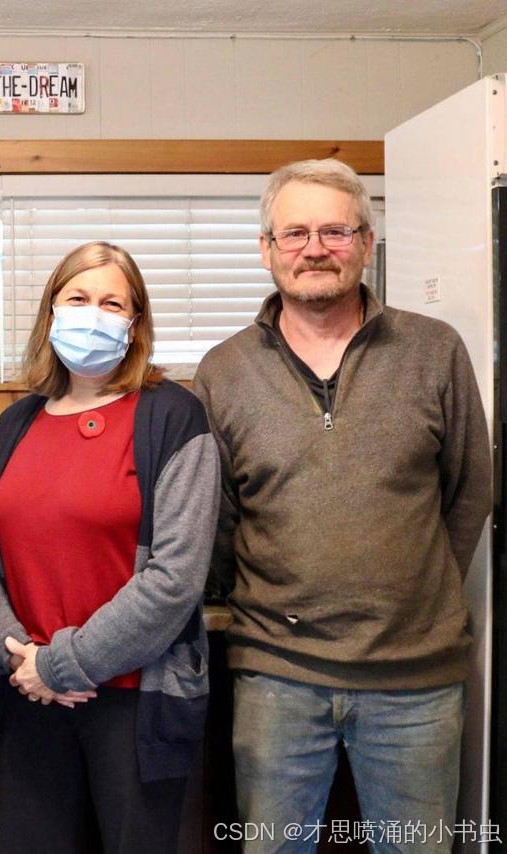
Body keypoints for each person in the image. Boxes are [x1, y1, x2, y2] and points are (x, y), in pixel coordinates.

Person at [193, 158, 492, 853]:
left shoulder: (433, 351)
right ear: (267, 249)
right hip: (277, 676)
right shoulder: (225, 370)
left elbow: (470, 489)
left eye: (335, 231)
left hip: (415, 681)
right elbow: (219, 516)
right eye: (294, 233)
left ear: (365, 243)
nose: (315, 249)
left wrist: (413, 591)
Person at [0, 240, 219, 853]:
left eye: (113, 303)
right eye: (78, 298)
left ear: (135, 322)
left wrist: (62, 664)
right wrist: (19, 655)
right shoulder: (16, 423)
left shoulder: (173, 417)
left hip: (136, 702)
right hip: (28, 694)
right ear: (51, 313)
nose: (93, 313)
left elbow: (176, 577)